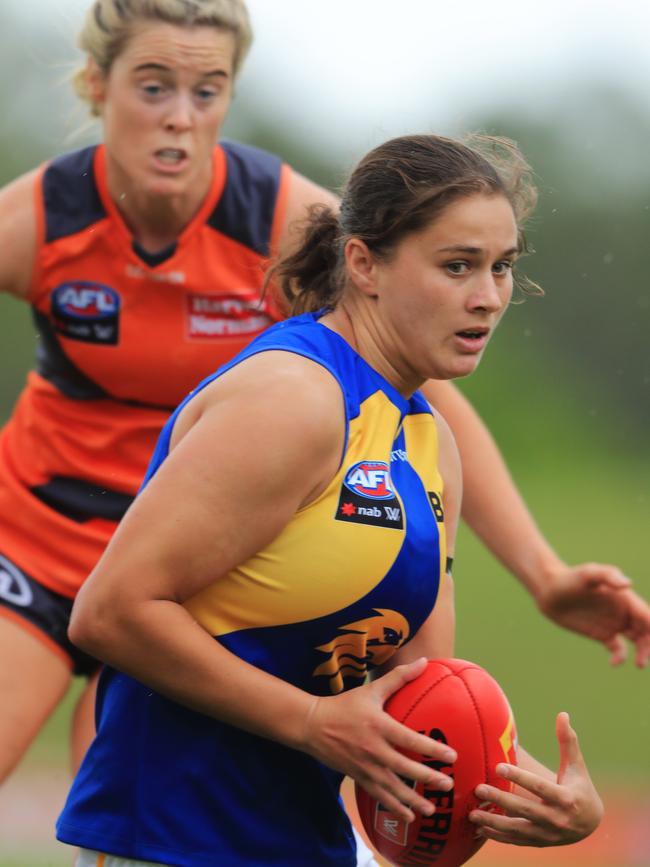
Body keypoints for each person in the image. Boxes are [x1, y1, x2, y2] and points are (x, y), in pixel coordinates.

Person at [0, 0, 647, 795]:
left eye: (206, 92)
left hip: (209, 561)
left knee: (125, 782)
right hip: (42, 534)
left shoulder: (279, 219)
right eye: (152, 87)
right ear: (98, 86)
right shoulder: (39, 218)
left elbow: (424, 397)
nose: (178, 119)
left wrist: (543, 572)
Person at [56, 132, 603, 867]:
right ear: (363, 263)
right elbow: (111, 612)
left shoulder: (432, 443)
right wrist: (313, 720)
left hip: (308, 845)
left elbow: (419, 700)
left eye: (502, 267)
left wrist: (543, 798)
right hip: (172, 840)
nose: (488, 297)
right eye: (457, 266)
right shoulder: (294, 399)